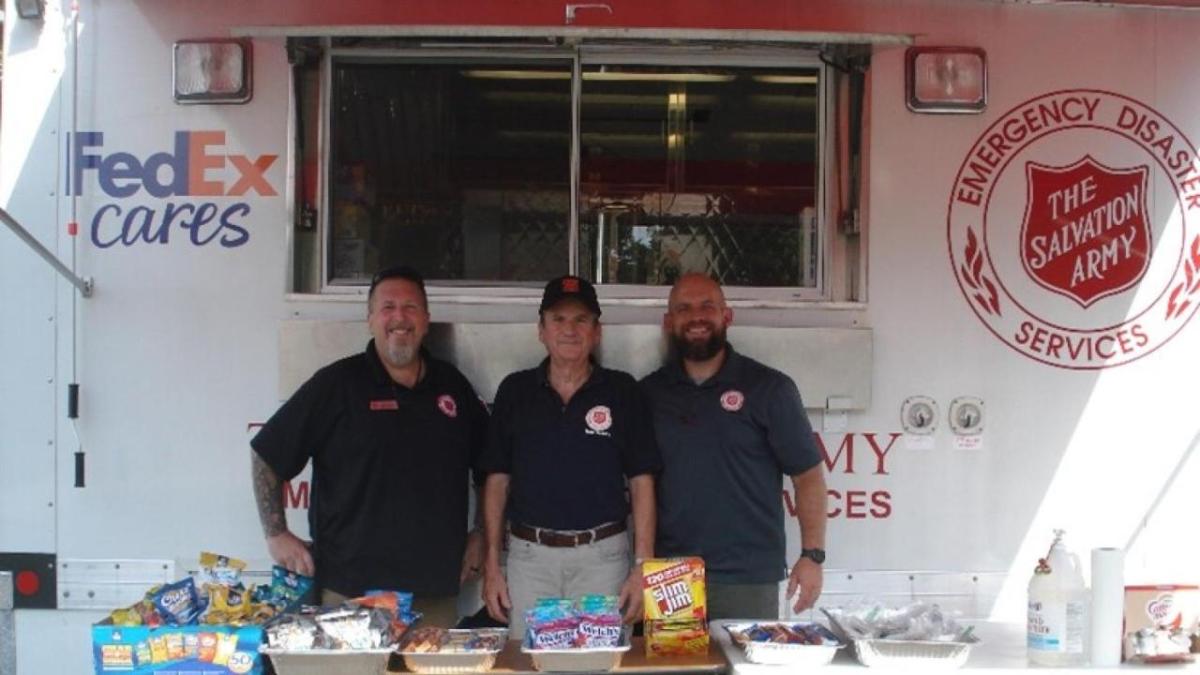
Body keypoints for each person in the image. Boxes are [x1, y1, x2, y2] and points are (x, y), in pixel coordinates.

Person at [250, 265, 488, 626]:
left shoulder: (452, 386)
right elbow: (267, 454)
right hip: (350, 592)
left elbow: (489, 466)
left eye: (410, 308)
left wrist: (481, 534)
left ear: (426, 319)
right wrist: (276, 533)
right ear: (371, 319)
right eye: (388, 307)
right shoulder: (336, 386)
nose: (399, 318)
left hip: (433, 594)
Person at [478, 275, 661, 638]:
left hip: (603, 558)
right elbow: (497, 480)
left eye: (581, 320)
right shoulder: (515, 391)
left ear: (597, 331)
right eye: (558, 319)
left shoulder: (622, 391)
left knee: (599, 663)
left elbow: (642, 482)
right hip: (530, 560)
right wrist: (493, 565)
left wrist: (642, 567)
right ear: (541, 330)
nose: (569, 330)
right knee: (531, 664)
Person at [640, 273, 827, 619]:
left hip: (748, 575)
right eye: (684, 308)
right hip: (671, 574)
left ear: (727, 316)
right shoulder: (648, 394)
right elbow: (639, 486)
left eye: (707, 306)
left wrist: (812, 555)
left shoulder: (770, 389)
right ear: (669, 322)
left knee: (742, 669)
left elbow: (808, 478)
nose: (696, 316)